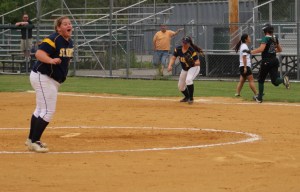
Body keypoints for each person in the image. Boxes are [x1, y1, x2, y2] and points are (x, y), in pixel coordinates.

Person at [25, 16, 74, 153]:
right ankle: (35, 142)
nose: (68, 25)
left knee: (40, 109)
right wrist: (51, 60)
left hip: (50, 79)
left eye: (69, 23)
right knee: (48, 111)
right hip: (43, 76)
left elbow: (66, 60)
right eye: (64, 24)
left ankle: (31, 140)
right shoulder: (53, 39)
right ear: (58, 28)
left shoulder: (70, 42)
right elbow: (39, 54)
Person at [250, 23, 290, 103]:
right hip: (274, 60)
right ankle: (283, 80)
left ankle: (260, 97)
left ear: (265, 31)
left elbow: (261, 49)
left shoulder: (265, 38)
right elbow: (279, 50)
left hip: (266, 61)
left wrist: (250, 52)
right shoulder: (274, 38)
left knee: (261, 79)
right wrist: (271, 51)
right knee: (275, 81)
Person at [167, 36, 201, 104]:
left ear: (189, 43)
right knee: (181, 87)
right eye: (183, 42)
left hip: (193, 68)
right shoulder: (178, 49)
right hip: (185, 69)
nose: (184, 44)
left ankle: (191, 98)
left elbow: (198, 63)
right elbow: (173, 58)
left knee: (188, 80)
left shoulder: (191, 50)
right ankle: (187, 97)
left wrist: (192, 63)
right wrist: (170, 65)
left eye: (186, 43)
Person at [234, 34, 258, 99]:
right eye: (249, 37)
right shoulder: (244, 46)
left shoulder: (243, 46)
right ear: (245, 39)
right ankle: (257, 94)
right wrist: (245, 67)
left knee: (242, 80)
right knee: (251, 80)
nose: (250, 38)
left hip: (243, 65)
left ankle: (237, 93)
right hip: (245, 65)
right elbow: (244, 57)